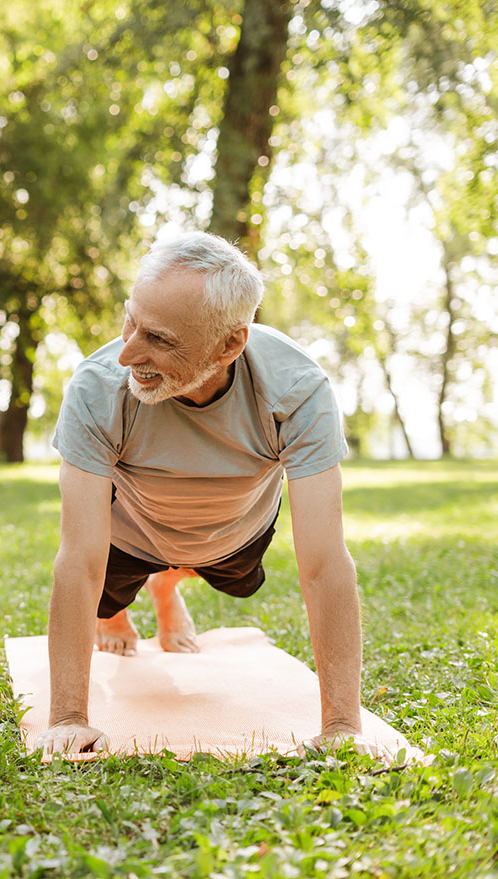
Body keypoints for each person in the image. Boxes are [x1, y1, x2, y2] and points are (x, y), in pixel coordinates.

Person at [37, 230, 386, 759]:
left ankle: (168, 586)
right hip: (130, 537)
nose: (128, 353)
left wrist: (342, 726)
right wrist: (68, 719)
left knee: (238, 583)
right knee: (102, 597)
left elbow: (324, 563)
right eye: (130, 319)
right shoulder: (96, 386)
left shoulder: (296, 390)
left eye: (159, 339)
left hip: (233, 535)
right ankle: (132, 598)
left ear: (230, 344)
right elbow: (79, 560)